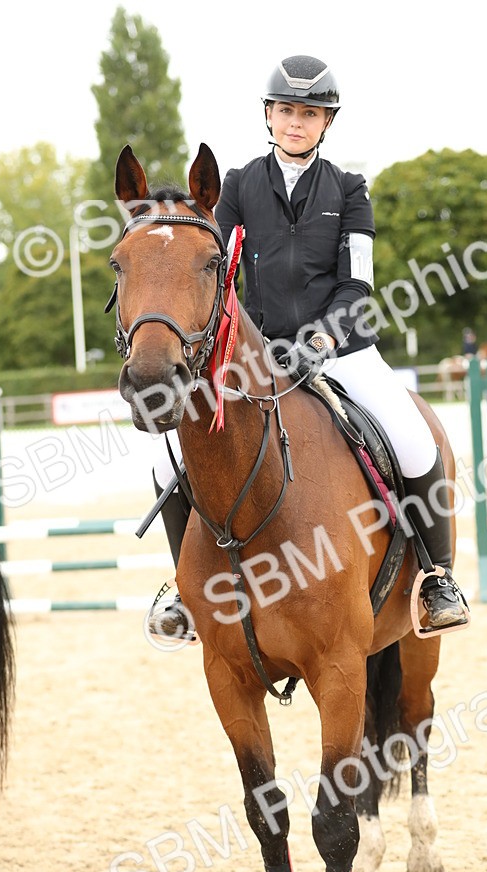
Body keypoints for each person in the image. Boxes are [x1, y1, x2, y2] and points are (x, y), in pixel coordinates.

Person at [151, 54, 468, 637]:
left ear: (327, 122)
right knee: (164, 448)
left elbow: (357, 283)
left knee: (415, 440)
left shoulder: (350, 190)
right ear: (268, 116)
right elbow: (216, 268)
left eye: (310, 113)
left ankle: (436, 577)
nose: (296, 122)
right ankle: (183, 589)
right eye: (286, 110)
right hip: (255, 353)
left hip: (343, 349)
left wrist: (324, 336)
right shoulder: (241, 186)